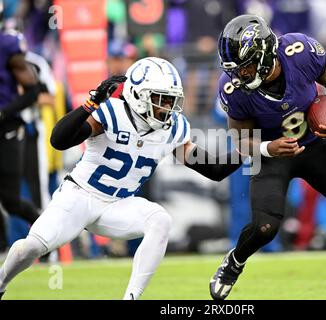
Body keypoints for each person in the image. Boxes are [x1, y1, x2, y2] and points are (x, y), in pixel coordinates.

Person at [0, 57, 243, 300]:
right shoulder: (112, 112)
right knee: (28, 248)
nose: (168, 107)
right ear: (138, 95)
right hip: (79, 196)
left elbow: (215, 169)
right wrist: (91, 103)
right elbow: (59, 140)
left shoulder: (172, 128)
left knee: (159, 220)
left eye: (171, 99)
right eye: (161, 98)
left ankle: (131, 298)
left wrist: (254, 148)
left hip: (118, 205)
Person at [209, 14, 326, 301]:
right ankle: (235, 262)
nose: (239, 75)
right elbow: (238, 139)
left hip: (316, 144)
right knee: (264, 228)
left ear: (262, 54)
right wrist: (268, 149)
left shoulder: (299, 51)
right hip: (273, 154)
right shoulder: (234, 89)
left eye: (245, 67)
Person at [0, 16, 45, 252]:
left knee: (11, 200)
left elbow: (33, 89)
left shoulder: (7, 44)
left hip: (5, 129)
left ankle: (48, 237)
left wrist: (4, 112)